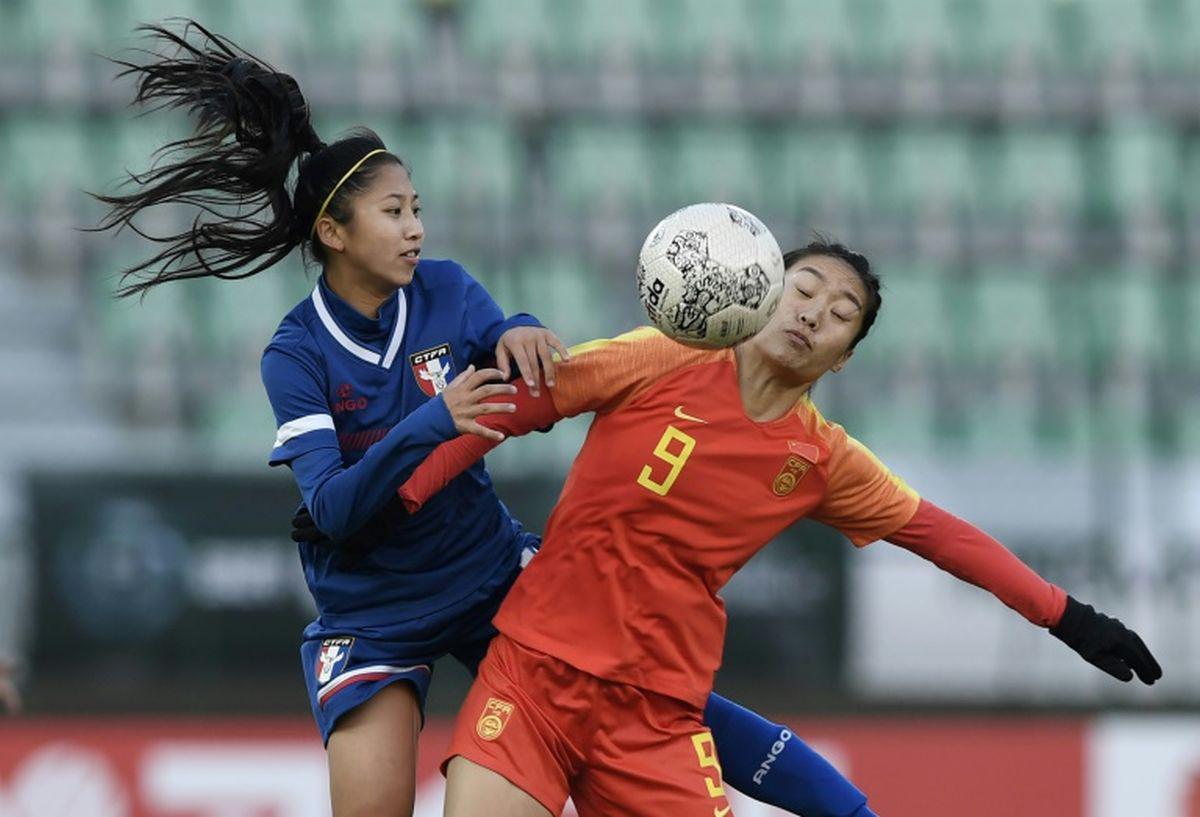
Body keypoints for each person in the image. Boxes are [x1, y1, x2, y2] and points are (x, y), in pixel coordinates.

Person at [94, 21, 881, 817]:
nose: (416, 229)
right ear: (333, 233)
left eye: (417, 209)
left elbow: (508, 342)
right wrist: (435, 421)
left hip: (486, 569)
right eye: (395, 213)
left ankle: (845, 807)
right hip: (372, 609)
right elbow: (330, 509)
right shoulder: (293, 354)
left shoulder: (444, 288)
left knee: (638, 689)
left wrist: (520, 325)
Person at [392, 238, 1164, 817]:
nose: (814, 313)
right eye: (804, 288)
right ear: (762, 291)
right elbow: (503, 409)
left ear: (840, 361)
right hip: (533, 677)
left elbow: (944, 535)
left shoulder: (823, 458)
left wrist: (1067, 615)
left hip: (656, 719)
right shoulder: (663, 353)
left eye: (840, 315)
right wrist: (398, 498)